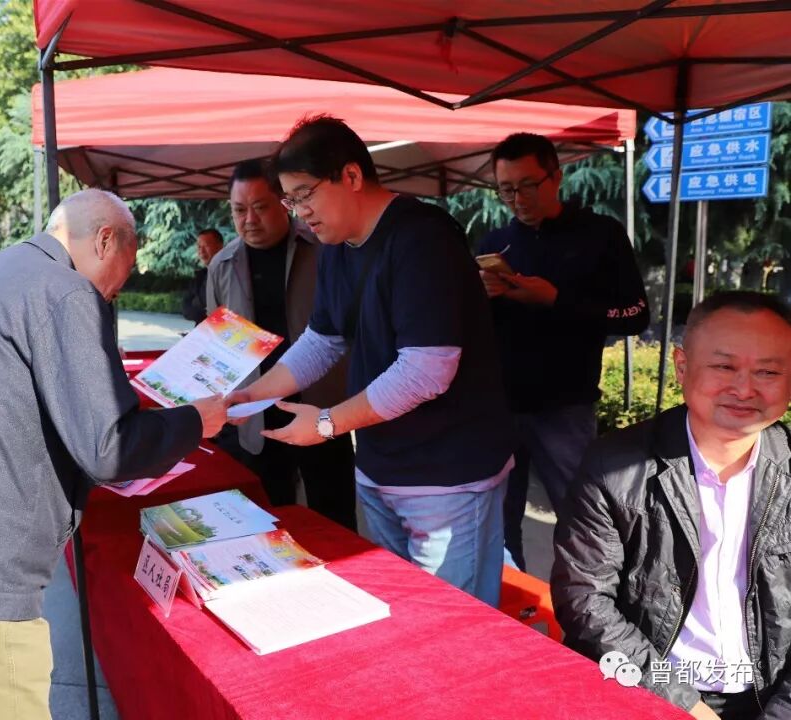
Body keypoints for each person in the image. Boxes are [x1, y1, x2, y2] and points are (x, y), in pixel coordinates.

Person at [0, 189, 229, 719]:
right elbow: (108, 448)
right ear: (105, 240)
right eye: (123, 271)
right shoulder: (64, 291)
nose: (117, 289)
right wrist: (195, 420)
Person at [230, 116, 514, 606]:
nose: (300, 213)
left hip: (447, 477)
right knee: (399, 611)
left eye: (304, 195)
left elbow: (426, 370)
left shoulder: (422, 238)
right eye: (291, 201)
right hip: (381, 470)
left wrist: (326, 424)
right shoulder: (336, 245)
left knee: (446, 621)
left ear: (351, 176)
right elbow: (322, 340)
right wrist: (253, 394)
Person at [552, 291, 791, 720]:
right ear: (682, 366)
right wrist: (682, 703)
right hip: (653, 684)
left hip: (770, 691)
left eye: (768, 371)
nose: (744, 389)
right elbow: (585, 599)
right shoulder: (613, 467)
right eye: (724, 366)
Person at [477, 132, 650, 571]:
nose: (518, 199)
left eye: (527, 185)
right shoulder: (493, 242)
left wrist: (556, 300)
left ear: (556, 177)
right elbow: (476, 327)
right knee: (496, 524)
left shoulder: (600, 235)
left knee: (581, 519)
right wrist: (480, 297)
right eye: (506, 189)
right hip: (500, 405)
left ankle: (589, 602)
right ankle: (512, 599)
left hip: (566, 405)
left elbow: (634, 314)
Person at [208, 159, 356, 529]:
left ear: (284, 203)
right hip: (255, 417)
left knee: (334, 520)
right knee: (265, 525)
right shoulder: (222, 265)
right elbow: (215, 343)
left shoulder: (323, 249)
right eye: (239, 210)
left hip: (320, 410)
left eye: (260, 207)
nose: (249, 220)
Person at [181, 228, 223, 323]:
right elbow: (186, 311)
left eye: (206, 245)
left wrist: (198, 304)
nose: (201, 251)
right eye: (199, 247)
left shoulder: (230, 274)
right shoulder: (200, 276)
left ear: (220, 246)